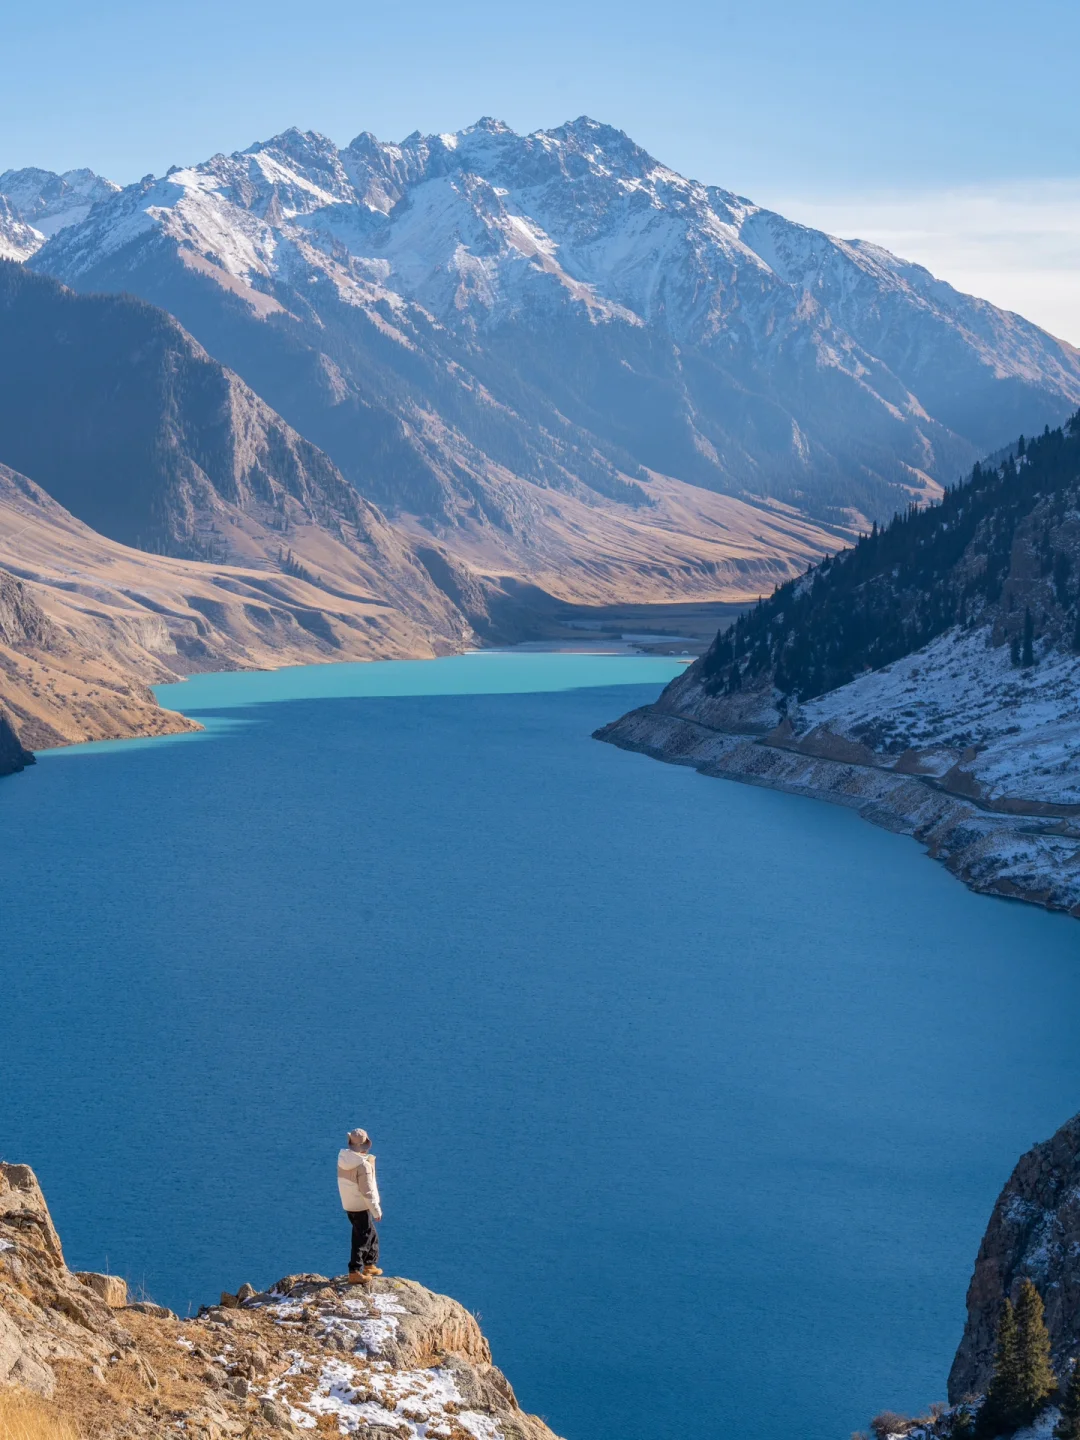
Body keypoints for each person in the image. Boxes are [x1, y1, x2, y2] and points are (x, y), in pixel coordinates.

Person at [337, 1127, 382, 1283]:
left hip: (348, 1202)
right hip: (360, 1205)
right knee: (361, 1237)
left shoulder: (344, 1158)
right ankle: (355, 1271)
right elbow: (367, 1191)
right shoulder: (363, 1166)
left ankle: (370, 1263)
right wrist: (376, 1210)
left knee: (370, 1233)